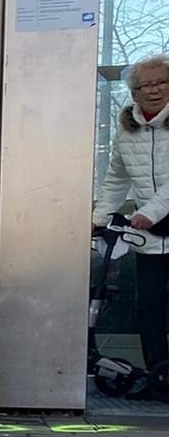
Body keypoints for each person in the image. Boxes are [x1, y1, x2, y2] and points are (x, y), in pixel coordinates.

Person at [95, 52, 169, 374]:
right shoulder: (127, 129)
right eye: (146, 85)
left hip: (152, 219)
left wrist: (150, 212)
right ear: (134, 93)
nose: (155, 90)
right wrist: (99, 219)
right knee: (148, 307)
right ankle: (159, 375)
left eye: (162, 82)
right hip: (151, 237)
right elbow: (117, 177)